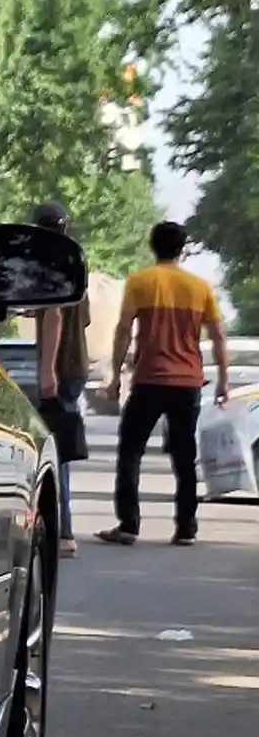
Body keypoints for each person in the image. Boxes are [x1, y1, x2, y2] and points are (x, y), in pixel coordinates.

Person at [97, 220, 229, 546]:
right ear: (181, 249)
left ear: (152, 246)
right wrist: (223, 380)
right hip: (187, 383)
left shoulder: (141, 282)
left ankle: (128, 524)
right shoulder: (200, 288)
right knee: (185, 457)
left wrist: (115, 376)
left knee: (131, 451)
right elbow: (217, 336)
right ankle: (186, 528)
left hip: (150, 379)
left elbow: (124, 330)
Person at [32, 201, 90, 556]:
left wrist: (46, 369)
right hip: (77, 365)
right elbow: (82, 320)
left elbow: (54, 315)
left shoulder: (48, 263)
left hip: (60, 367)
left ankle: (63, 532)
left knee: (56, 452)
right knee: (63, 449)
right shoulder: (76, 261)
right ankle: (62, 529)